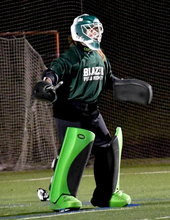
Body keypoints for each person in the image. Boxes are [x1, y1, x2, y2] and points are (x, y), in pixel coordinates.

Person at [33, 14, 152, 212]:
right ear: (79, 32)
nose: (95, 33)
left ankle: (107, 194)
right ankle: (61, 194)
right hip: (69, 111)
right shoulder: (71, 57)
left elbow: (107, 78)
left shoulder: (99, 56)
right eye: (91, 30)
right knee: (73, 153)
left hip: (92, 111)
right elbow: (54, 71)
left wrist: (121, 85)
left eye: (97, 29)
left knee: (107, 148)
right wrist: (47, 83)